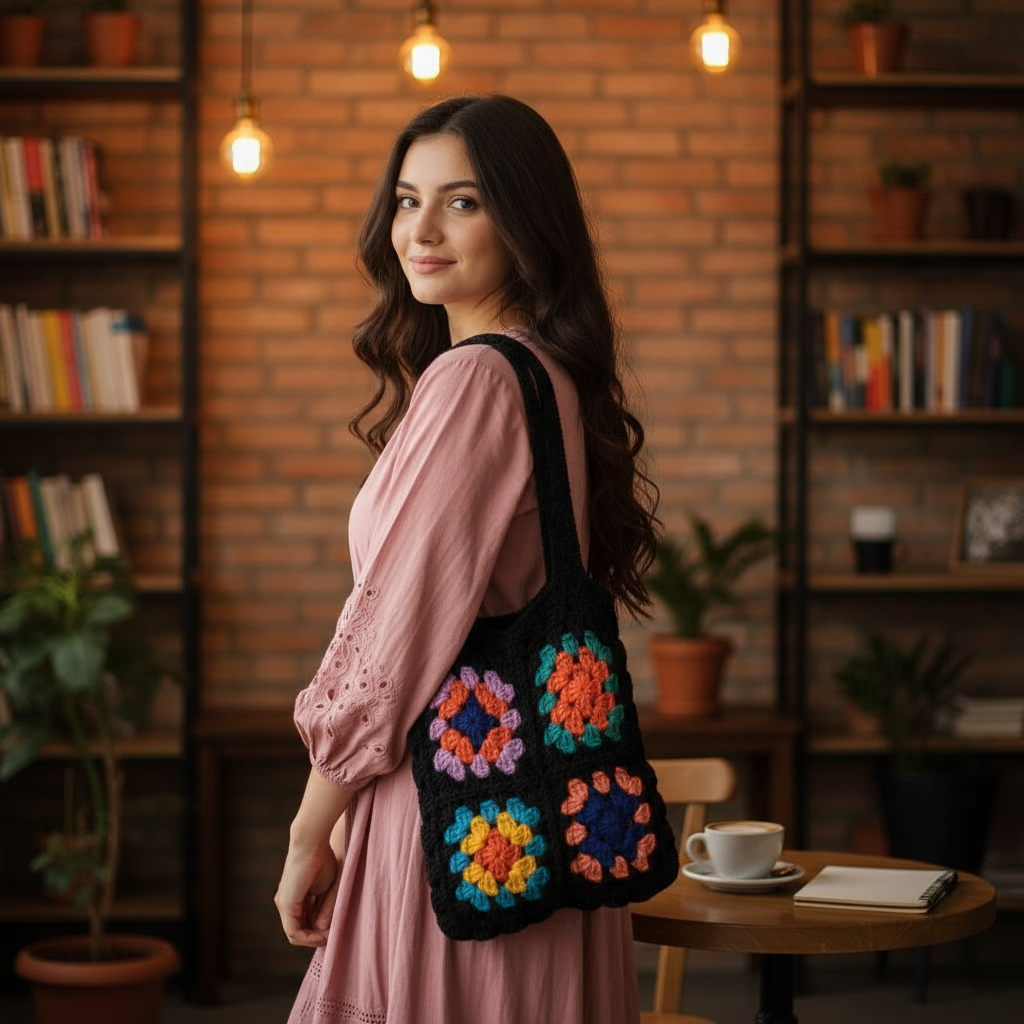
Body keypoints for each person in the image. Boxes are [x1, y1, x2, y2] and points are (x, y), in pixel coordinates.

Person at [276, 94, 660, 1024]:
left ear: (524, 220)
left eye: (464, 202)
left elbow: (388, 645)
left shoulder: (477, 380)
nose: (423, 231)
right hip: (533, 826)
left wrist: (306, 831)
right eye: (408, 201)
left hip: (456, 822)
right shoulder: (549, 373)